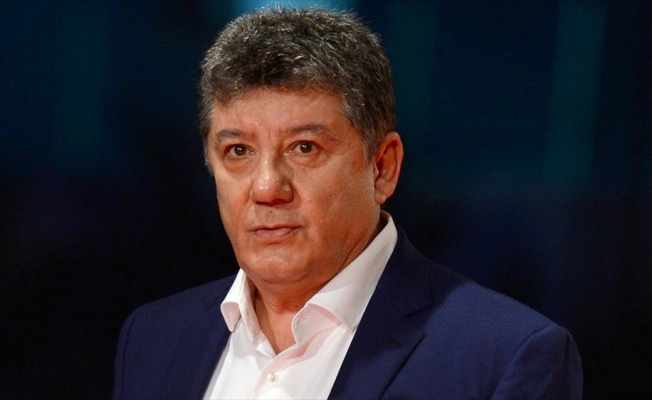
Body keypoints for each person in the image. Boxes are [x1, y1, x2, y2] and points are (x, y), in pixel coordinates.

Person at [112, 7, 583, 400]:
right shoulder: (153, 339)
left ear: (382, 167)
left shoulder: (506, 357)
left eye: (304, 148)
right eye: (238, 151)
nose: (267, 188)